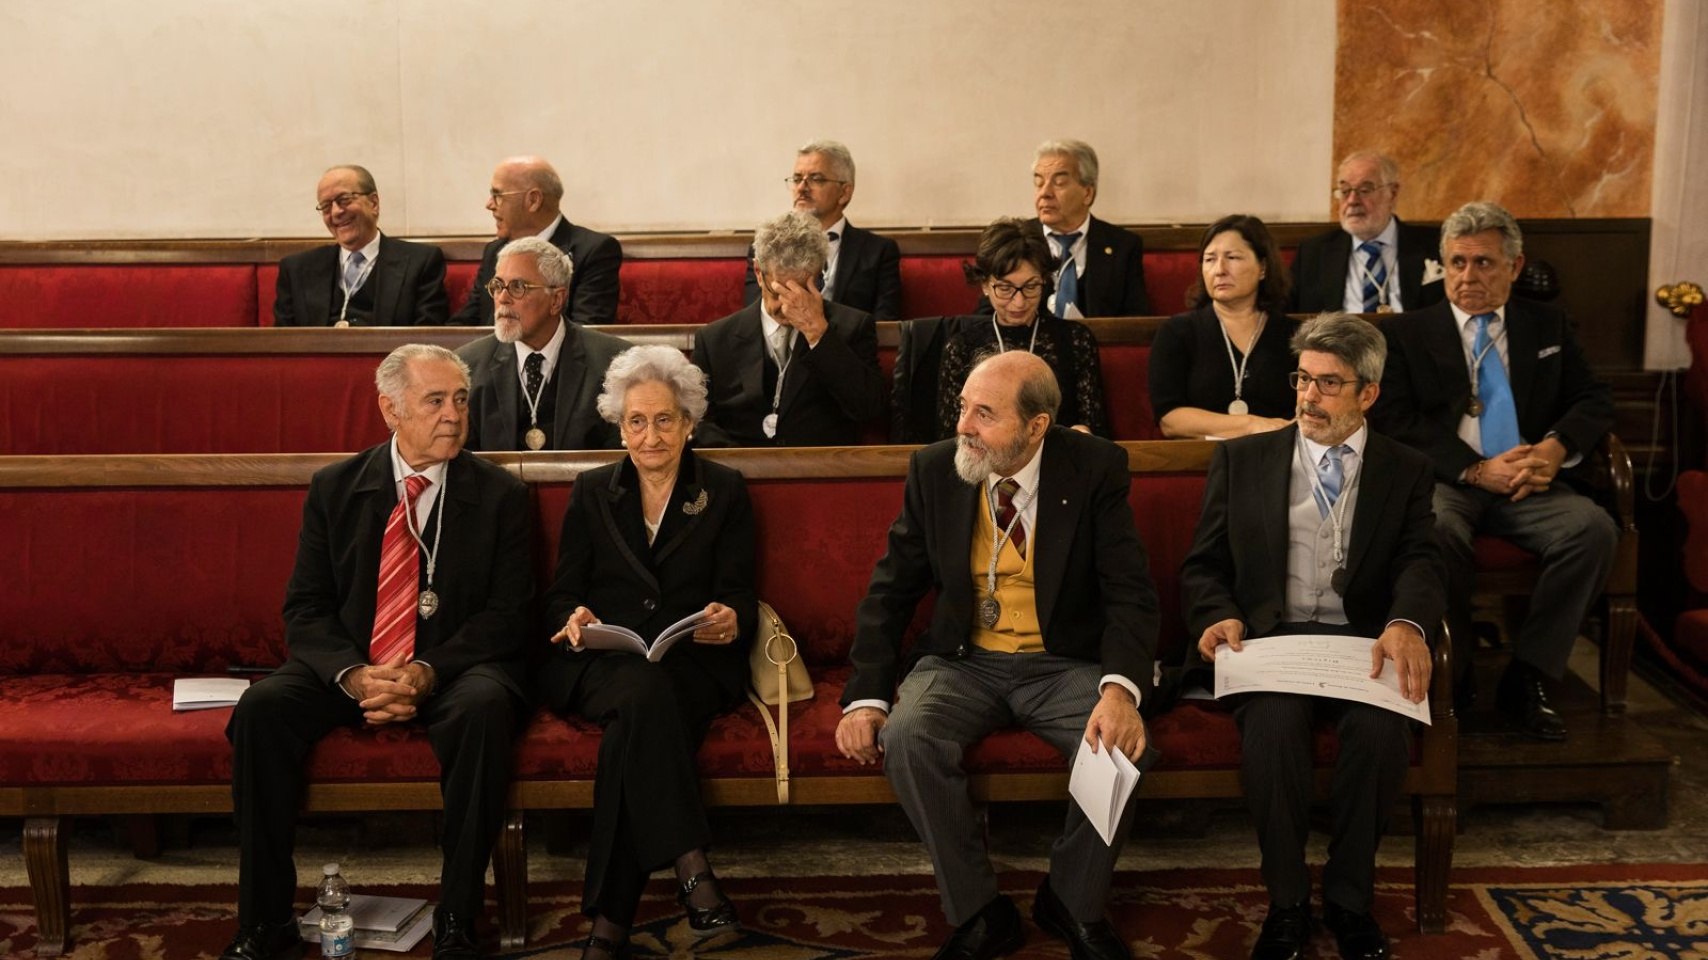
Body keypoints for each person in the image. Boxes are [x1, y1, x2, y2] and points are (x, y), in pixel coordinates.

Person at [838, 351, 1158, 960]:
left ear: (1037, 426)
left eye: (984, 414)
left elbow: (1129, 592)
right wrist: (867, 696)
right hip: (963, 660)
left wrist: (1119, 693)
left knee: (1121, 747)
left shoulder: (1093, 467)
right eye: (963, 407)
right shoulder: (936, 468)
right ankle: (979, 910)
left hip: (1063, 662)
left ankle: (1072, 899)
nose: (964, 426)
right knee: (908, 737)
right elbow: (891, 588)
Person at [223, 344, 531, 960]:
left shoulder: (500, 494)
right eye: (435, 401)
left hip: (453, 669)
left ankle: (458, 917)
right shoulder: (336, 487)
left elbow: (509, 616)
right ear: (390, 409)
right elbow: (305, 610)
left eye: (461, 400)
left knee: (484, 710)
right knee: (260, 710)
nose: (453, 415)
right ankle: (265, 918)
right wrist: (356, 676)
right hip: (351, 667)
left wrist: (423, 672)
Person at [1180, 312, 1444, 960]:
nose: (1307, 396)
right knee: (1271, 729)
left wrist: (1407, 624)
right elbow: (1203, 565)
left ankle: (1351, 899)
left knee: (1380, 733)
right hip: (1272, 641)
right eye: (1302, 379)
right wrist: (1217, 613)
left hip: (1363, 640)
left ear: (1368, 394)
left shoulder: (1405, 468)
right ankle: (1288, 900)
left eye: (1328, 384)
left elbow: (1421, 559)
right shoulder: (1243, 459)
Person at [537, 345, 756, 960]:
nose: (650, 434)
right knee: (642, 695)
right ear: (619, 425)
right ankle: (692, 867)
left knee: (634, 724)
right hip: (602, 661)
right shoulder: (591, 492)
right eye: (637, 421)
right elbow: (562, 595)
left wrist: (729, 619)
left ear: (689, 423)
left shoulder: (724, 489)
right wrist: (572, 617)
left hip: (692, 661)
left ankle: (610, 923)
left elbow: (740, 592)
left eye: (665, 419)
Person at [1372, 201, 1617, 740]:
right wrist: (1475, 471)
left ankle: (1528, 676)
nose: (1467, 276)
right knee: (1434, 532)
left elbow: (1594, 399)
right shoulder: (1409, 332)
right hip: (1451, 483)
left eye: (1483, 263)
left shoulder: (1548, 324)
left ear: (1514, 264)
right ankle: (1453, 675)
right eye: (1456, 263)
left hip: (1532, 482)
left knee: (1593, 529)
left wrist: (1555, 448)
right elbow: (1396, 420)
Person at [695, 209, 885, 446]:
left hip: (820, 471)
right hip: (739, 472)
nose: (787, 305)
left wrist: (819, 335)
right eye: (778, 290)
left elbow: (868, 409)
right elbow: (699, 422)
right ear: (758, 272)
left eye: (801, 290)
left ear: (819, 275)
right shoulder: (714, 340)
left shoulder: (853, 327)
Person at [936, 217, 1109, 439]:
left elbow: (1095, 426)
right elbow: (950, 438)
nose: (1019, 302)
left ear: (1044, 281)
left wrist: (1083, 433)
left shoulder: (1076, 339)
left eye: (1030, 286)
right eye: (1005, 288)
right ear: (986, 285)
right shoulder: (961, 348)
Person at [458, 237, 631, 451]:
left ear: (556, 299)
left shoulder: (615, 364)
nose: (502, 298)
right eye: (498, 286)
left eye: (518, 287)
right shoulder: (466, 367)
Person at [1149, 215, 1296, 438]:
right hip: (1204, 460)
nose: (1219, 269)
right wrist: (1251, 425)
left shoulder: (1294, 335)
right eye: (1209, 259)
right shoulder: (1178, 331)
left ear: (1263, 267)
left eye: (1233, 257)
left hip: (1280, 457)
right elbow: (1170, 419)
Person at [976, 140, 1150, 319]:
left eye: (1059, 183)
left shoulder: (1123, 245)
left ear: (1087, 193)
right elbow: (985, 317)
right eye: (1039, 182)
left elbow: (1136, 321)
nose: (1045, 193)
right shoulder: (1013, 240)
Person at [742, 139, 902, 321]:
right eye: (797, 179)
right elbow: (755, 317)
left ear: (844, 192)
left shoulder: (878, 251)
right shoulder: (766, 246)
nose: (802, 187)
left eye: (816, 179)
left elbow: (885, 324)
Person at [451, 156, 622, 326]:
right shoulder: (495, 251)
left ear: (533, 200)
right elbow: (467, 325)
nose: (489, 204)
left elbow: (587, 332)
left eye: (498, 195)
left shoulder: (593, 251)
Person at [274, 165, 449, 327]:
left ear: (373, 203)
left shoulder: (420, 263)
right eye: (326, 206)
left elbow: (427, 341)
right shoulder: (296, 270)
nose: (336, 212)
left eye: (344, 200)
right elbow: (282, 345)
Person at [1289, 152, 1445, 314]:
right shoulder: (1312, 253)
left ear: (1392, 193)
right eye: (1344, 190)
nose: (1352, 200)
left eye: (1365, 190)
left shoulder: (1436, 244)